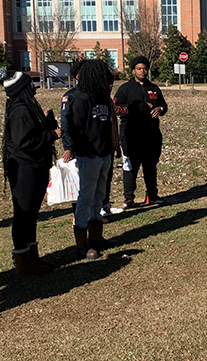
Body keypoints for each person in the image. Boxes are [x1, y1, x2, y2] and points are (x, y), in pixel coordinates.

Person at [0, 67, 61, 275]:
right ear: (23, 88)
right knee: (23, 214)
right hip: (25, 167)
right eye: (30, 84)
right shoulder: (20, 110)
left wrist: (47, 121)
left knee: (31, 214)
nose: (34, 87)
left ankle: (32, 257)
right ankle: (23, 262)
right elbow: (24, 142)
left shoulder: (27, 107)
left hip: (35, 165)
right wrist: (52, 134)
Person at [70, 60, 120, 259]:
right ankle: (81, 244)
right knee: (85, 198)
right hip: (88, 157)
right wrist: (86, 151)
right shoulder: (81, 99)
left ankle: (96, 237)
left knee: (99, 196)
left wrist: (111, 148)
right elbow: (76, 130)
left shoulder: (103, 98)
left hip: (104, 154)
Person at [114, 55, 168, 208]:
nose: (142, 71)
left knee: (150, 166)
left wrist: (160, 109)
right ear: (133, 71)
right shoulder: (125, 89)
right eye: (139, 69)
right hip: (131, 134)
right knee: (131, 166)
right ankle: (128, 199)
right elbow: (116, 108)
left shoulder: (154, 88)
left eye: (145, 69)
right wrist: (135, 109)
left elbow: (164, 105)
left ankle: (152, 195)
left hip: (151, 134)